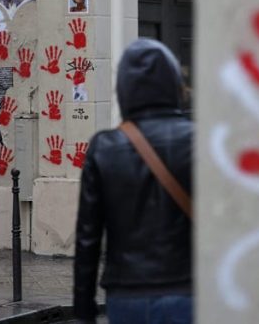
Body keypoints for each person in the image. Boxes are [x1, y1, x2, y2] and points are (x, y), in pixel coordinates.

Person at [73, 38, 193, 324]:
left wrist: (83, 308)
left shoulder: (105, 147)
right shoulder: (198, 141)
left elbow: (87, 239)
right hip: (186, 288)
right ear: (174, 86)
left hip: (127, 295)